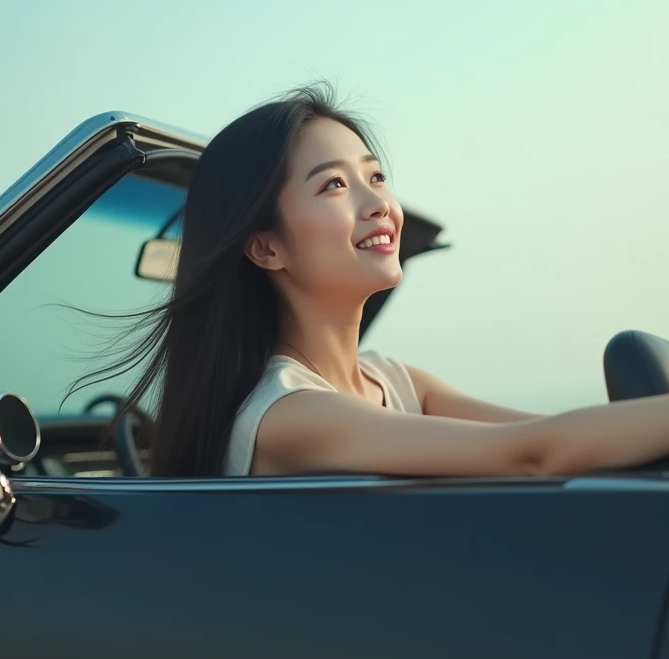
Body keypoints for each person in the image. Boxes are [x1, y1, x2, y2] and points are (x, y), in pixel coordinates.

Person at [70, 83, 669, 478]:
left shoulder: (398, 382)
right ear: (266, 246)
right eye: (333, 184)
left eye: (376, 176)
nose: (378, 202)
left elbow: (549, 436)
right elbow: (535, 456)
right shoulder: (288, 416)